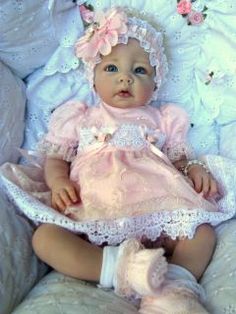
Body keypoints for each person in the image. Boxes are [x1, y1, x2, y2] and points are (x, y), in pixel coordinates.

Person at [0, 6, 234, 313]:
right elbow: (56, 158)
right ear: (93, 80)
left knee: (201, 234)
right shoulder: (79, 117)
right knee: (45, 239)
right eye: (111, 69)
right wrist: (57, 183)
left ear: (155, 85)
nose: (125, 78)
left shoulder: (163, 118)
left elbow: (180, 159)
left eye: (139, 71)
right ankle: (121, 271)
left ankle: (174, 286)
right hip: (94, 212)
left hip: (160, 209)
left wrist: (195, 169)